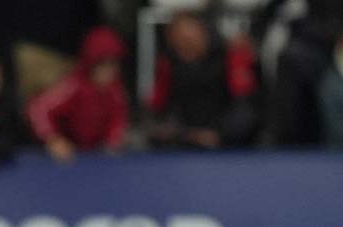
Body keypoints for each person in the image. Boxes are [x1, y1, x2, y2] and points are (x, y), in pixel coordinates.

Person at [148, 11, 260, 149]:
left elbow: (245, 109)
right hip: (183, 144)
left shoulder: (230, 57)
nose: (186, 44)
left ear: (202, 33)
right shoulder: (167, 65)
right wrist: (174, 132)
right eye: (180, 40)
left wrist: (219, 135)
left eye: (190, 38)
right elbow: (158, 109)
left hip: (230, 145)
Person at [27, 27, 128, 163]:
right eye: (102, 63)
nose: (108, 70)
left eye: (113, 63)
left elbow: (118, 120)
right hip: (63, 159)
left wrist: (112, 141)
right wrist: (53, 139)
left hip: (96, 159)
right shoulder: (72, 87)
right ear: (90, 63)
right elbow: (38, 109)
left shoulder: (116, 92)